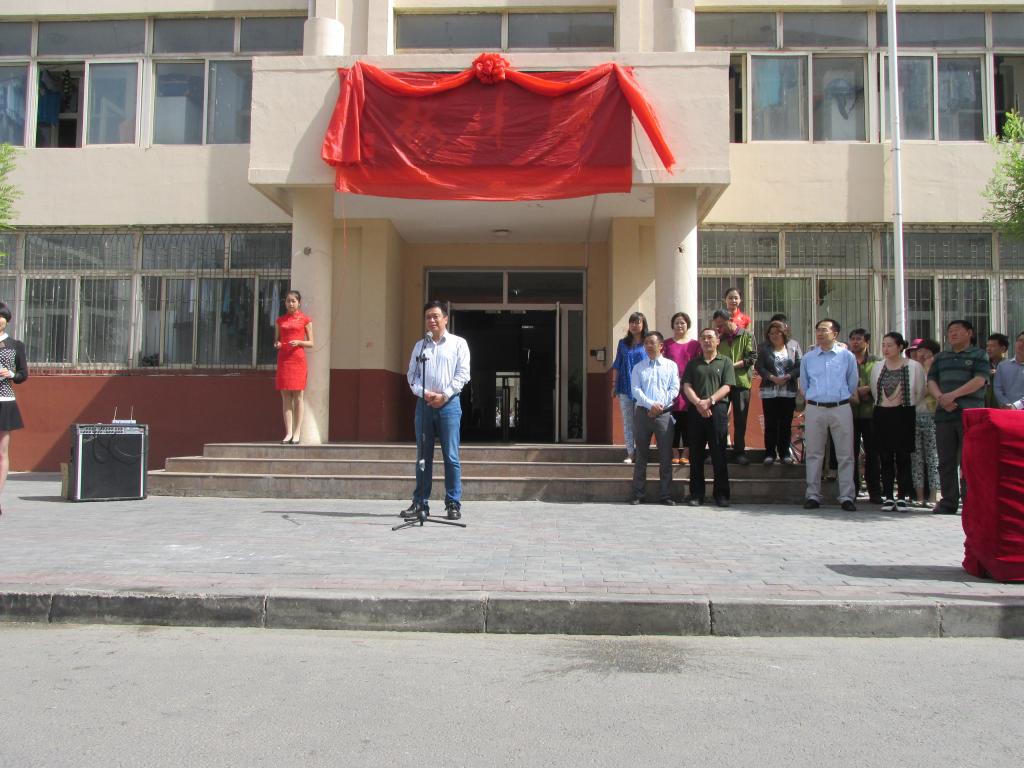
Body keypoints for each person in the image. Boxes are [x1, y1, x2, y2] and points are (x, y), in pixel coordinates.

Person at [403, 301, 471, 521]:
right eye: (428, 317)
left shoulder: (458, 344)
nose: (431, 320)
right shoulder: (420, 346)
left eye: (435, 316)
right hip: (424, 406)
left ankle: (453, 503)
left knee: (451, 456)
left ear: (445, 319)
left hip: (449, 405)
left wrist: (445, 395)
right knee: (423, 456)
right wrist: (424, 393)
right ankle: (420, 502)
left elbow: (463, 374)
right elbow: (412, 375)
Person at [927, 319, 989, 516]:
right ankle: (948, 501)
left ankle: (970, 501)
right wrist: (941, 398)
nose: (952, 334)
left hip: (970, 416)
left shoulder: (979, 355)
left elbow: (980, 380)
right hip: (944, 415)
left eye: (957, 330)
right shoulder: (941, 357)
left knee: (969, 461)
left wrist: (952, 396)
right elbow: (931, 380)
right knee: (945, 460)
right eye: (950, 331)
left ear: (969, 333)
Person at [799, 318, 859, 511]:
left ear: (835, 334)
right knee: (814, 453)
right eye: (818, 329)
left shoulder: (846, 356)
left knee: (845, 454)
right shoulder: (808, 358)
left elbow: (852, 382)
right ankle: (813, 495)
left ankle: (847, 496)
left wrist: (840, 396)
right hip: (815, 407)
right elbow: (804, 384)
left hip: (841, 407)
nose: (820, 333)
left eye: (824, 330)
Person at [870, 332, 926, 511]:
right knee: (885, 457)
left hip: (904, 413)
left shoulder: (914, 366)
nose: (886, 349)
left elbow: (919, 391)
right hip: (882, 413)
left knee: (903, 457)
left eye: (890, 345)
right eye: (883, 345)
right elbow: (874, 390)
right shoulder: (878, 366)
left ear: (900, 346)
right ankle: (888, 496)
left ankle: (902, 496)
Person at [682, 328, 735, 507]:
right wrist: (699, 403)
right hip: (696, 411)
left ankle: (721, 494)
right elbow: (687, 386)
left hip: (717, 410)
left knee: (718, 453)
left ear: (717, 341)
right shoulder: (693, 363)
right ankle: (696, 494)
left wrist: (710, 401)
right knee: (696, 454)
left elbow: (727, 386)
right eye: (703, 338)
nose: (706, 341)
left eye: (710, 337)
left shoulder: (725, 362)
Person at [628, 331, 679, 506]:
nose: (648, 346)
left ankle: (666, 495)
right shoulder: (638, 367)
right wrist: (651, 405)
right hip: (643, 414)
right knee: (641, 455)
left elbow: (674, 389)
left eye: (652, 342)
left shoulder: (671, 366)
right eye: (646, 343)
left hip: (664, 415)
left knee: (665, 456)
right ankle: (638, 494)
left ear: (661, 345)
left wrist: (659, 406)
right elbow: (636, 390)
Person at [712, 308, 755, 465]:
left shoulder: (747, 335)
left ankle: (739, 452)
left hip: (741, 382)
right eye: (717, 326)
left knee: (740, 418)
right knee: (719, 418)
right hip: (723, 384)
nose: (719, 329)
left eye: (721, 325)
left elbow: (751, 358)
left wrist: (730, 366)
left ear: (731, 320)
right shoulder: (720, 339)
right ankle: (719, 451)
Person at [755, 320, 800, 465]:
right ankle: (770, 453)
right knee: (770, 423)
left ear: (784, 333)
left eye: (777, 333)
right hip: (769, 390)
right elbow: (759, 366)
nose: (774, 336)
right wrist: (772, 377)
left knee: (785, 423)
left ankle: (784, 454)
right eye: (771, 333)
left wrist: (789, 376)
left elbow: (799, 366)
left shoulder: (793, 346)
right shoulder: (764, 348)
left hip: (788, 390)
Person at [273, 290, 313, 444]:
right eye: (288, 301)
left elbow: (311, 342)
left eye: (293, 301)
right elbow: (277, 340)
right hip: (284, 360)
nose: (291, 304)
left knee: (298, 396)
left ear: (299, 303)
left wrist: (299, 342)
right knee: (285, 397)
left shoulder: (305, 320)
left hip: (298, 360)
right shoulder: (280, 321)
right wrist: (277, 344)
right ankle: (288, 432)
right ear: (285, 303)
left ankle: (297, 432)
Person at [662, 312, 701, 466]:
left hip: (689, 388)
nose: (680, 325)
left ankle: (686, 452)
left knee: (687, 422)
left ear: (688, 325)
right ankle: (674, 452)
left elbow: (697, 366)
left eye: (683, 323)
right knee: (672, 422)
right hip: (671, 388)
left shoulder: (695, 345)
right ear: (672, 325)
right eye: (677, 322)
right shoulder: (666, 344)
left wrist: (686, 382)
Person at [0, 302, 27, 517]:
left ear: (7, 321)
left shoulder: (15, 345)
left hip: (5, 401)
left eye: (2, 317)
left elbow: (23, 375)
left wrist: (11, 374)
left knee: (2, 452)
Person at [848, 329, 881, 504]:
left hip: (871, 413)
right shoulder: (846, 360)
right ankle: (852, 489)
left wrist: (866, 389)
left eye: (859, 339)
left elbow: (880, 382)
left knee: (873, 453)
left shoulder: (877, 361)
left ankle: (874, 491)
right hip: (850, 413)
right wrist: (855, 392)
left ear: (867, 342)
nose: (855, 342)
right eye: (852, 339)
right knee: (850, 453)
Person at [611, 312, 648, 464]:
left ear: (643, 325)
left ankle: (641, 452)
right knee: (628, 422)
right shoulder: (622, 343)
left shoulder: (648, 342)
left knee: (641, 422)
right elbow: (617, 363)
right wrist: (614, 384)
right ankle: (630, 453)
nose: (634, 325)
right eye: (632, 322)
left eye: (637, 322)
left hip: (642, 388)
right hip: (625, 386)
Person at [908, 339, 941, 508]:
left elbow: (928, 392)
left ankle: (934, 496)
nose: (920, 354)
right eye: (918, 351)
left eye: (924, 351)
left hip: (933, 416)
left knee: (933, 457)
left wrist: (928, 370)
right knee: (916, 458)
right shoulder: (912, 370)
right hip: (914, 416)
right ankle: (919, 496)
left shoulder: (938, 370)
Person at [994, 331, 1024, 409]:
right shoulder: (1003, 366)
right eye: (1020, 340)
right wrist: (1006, 404)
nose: (1022, 344)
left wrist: (1015, 406)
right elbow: (997, 388)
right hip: (1006, 411)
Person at [985, 333, 1010, 407]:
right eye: (987, 346)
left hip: (1004, 407)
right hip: (985, 407)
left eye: (992, 346)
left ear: (1003, 349)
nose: (988, 349)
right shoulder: (982, 366)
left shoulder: (1010, 366)